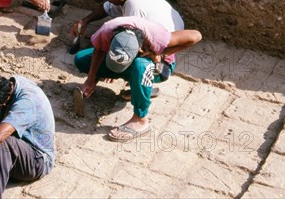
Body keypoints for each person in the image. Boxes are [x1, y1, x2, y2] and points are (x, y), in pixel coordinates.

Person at [73, 16, 202, 142]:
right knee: (81, 59)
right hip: (131, 58)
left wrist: (161, 54)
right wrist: (91, 78)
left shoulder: (157, 38)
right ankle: (138, 88)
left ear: (139, 49)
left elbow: (196, 36)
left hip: (159, 66)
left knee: (140, 65)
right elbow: (99, 49)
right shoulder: (108, 29)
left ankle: (140, 119)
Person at [70, 0, 184, 99]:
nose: (107, 1)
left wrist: (115, 63)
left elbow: (131, 46)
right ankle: (134, 80)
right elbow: (106, 8)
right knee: (81, 59)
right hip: (157, 33)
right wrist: (86, 21)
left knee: (133, 62)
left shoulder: (134, 7)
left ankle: (142, 88)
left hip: (162, 60)